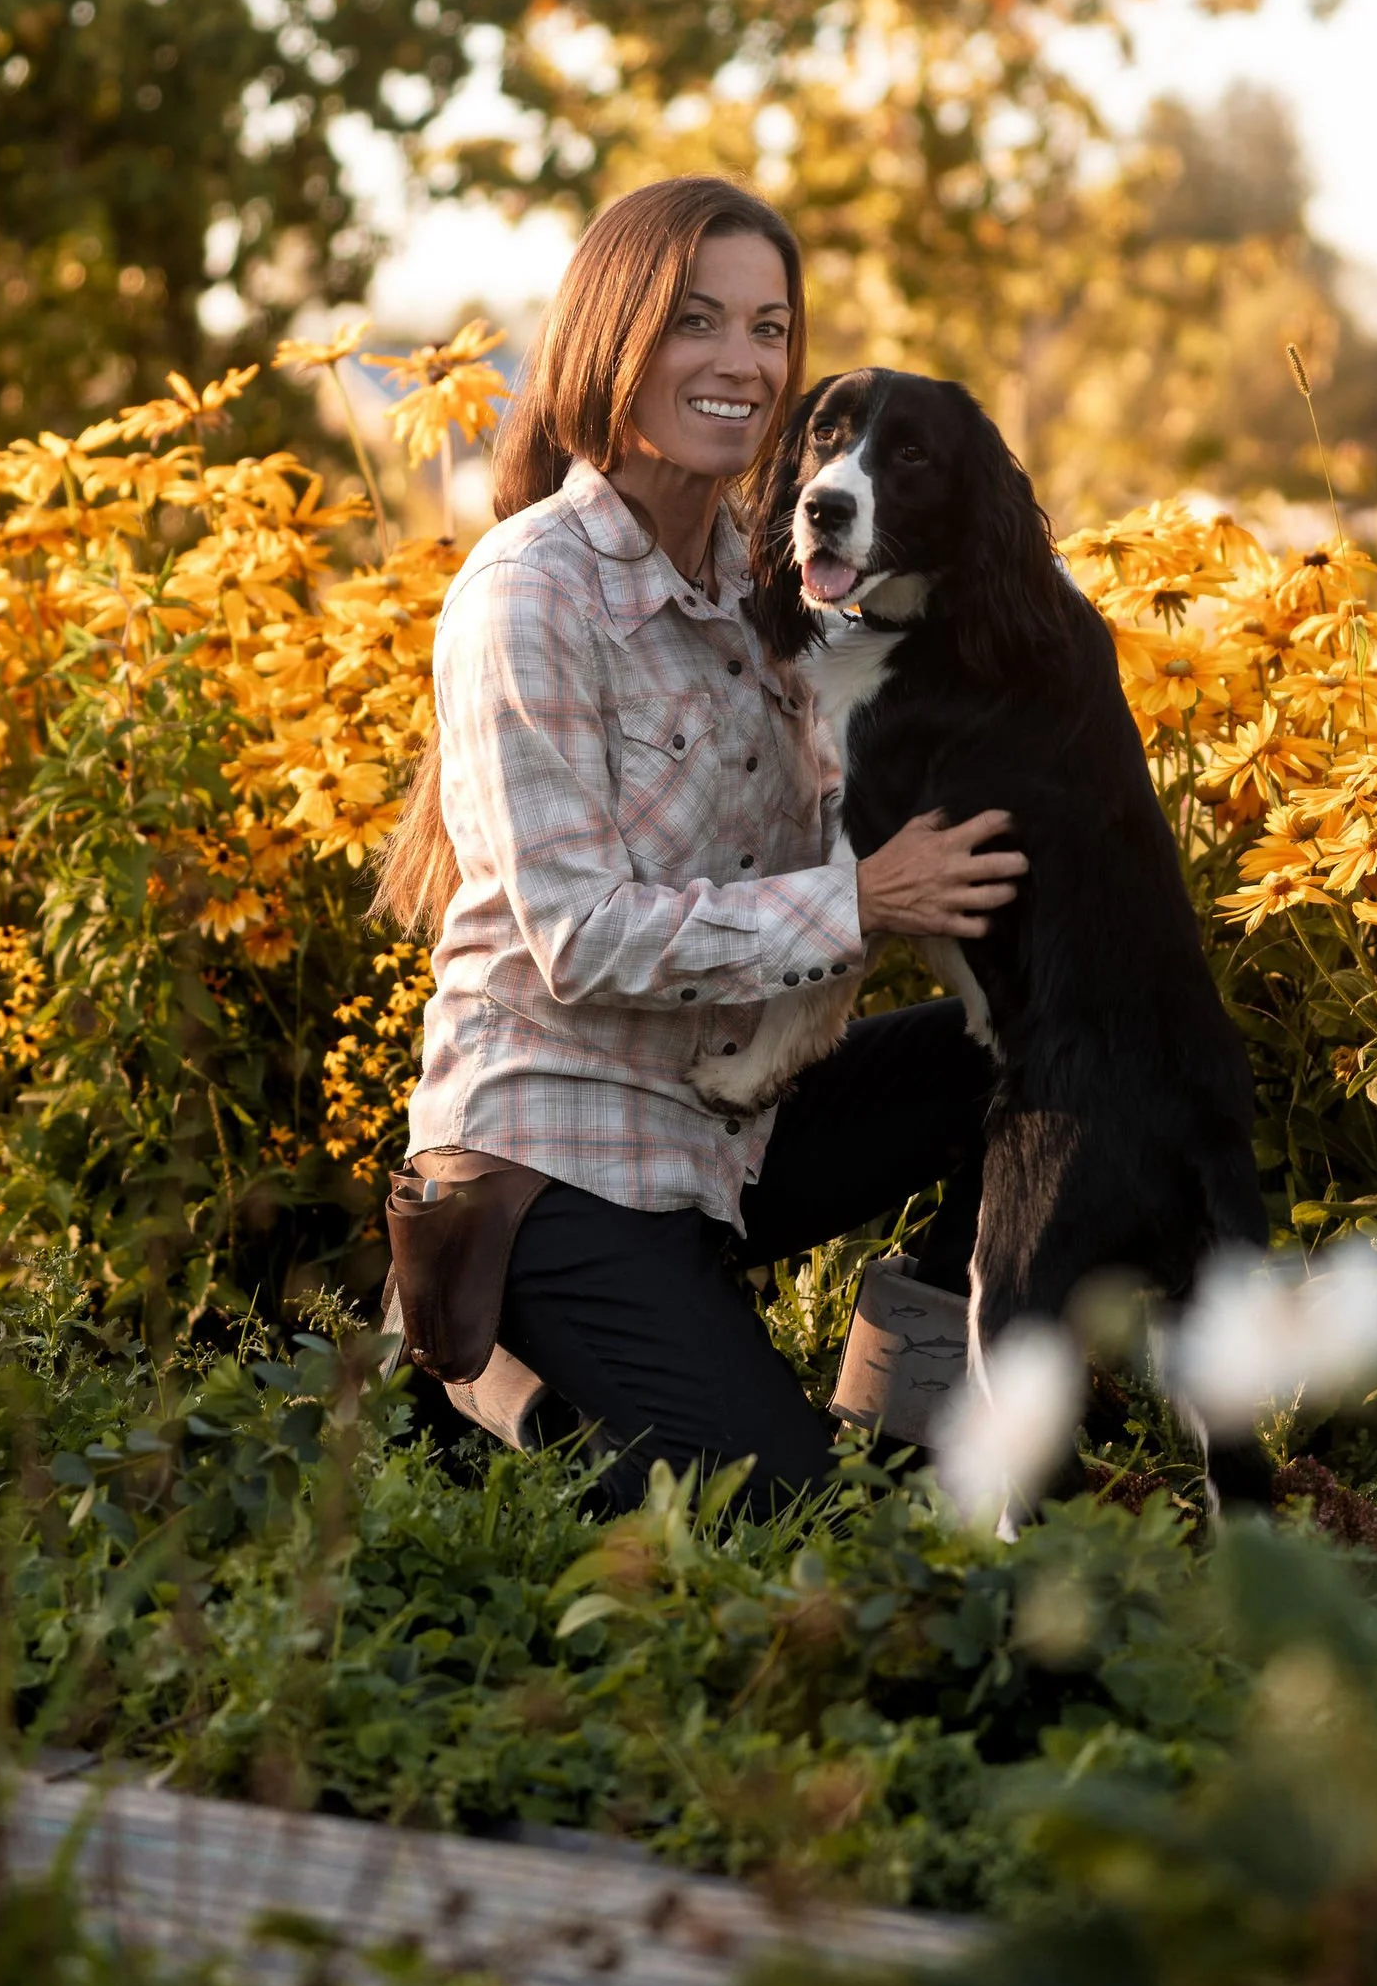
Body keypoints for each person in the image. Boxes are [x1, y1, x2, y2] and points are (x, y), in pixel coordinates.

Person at [373, 174, 1026, 1510]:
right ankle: (470, 1375)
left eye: (771, 328)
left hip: (725, 1131)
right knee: (759, 1517)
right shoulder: (526, 591)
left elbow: (880, 790)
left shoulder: (771, 589)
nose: (743, 361)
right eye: (696, 322)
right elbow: (575, 938)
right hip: (551, 1157)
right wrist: (859, 903)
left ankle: (898, 1421)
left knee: (1027, 1065)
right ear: (613, 338)